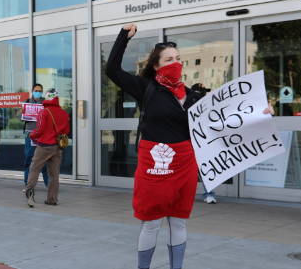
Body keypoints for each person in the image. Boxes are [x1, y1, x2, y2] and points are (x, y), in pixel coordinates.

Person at [106, 23, 272, 269]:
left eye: (178, 58)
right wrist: (123, 37)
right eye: (169, 59)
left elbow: (227, 117)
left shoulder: (194, 97)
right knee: (151, 222)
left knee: (179, 222)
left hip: (184, 165)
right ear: (156, 65)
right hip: (155, 166)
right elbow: (112, 69)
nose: (176, 63)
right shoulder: (146, 88)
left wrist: (261, 111)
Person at [24, 89, 69, 207]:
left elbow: (40, 130)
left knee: (34, 169)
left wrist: (31, 135)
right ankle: (52, 199)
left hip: (44, 146)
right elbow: (66, 131)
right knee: (54, 175)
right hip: (57, 147)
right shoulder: (64, 113)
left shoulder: (44, 112)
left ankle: (30, 195)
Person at [23, 84, 50, 187]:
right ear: (32, 91)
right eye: (36, 90)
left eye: (40, 91)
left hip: (42, 135)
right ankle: (27, 184)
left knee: (44, 161)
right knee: (28, 159)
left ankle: (48, 184)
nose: (37, 92)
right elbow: (22, 118)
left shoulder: (46, 103)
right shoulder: (27, 102)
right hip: (29, 134)